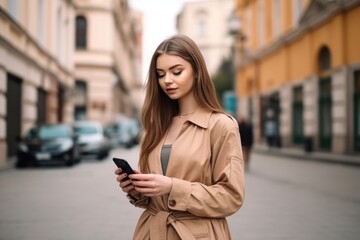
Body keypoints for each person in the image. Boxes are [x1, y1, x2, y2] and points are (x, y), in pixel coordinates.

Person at [114, 34, 245, 239]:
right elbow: (156, 197)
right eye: (160, 74)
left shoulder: (221, 125)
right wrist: (137, 189)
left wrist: (173, 187)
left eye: (177, 72)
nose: (167, 80)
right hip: (151, 232)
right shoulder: (155, 126)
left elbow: (231, 197)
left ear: (197, 72)